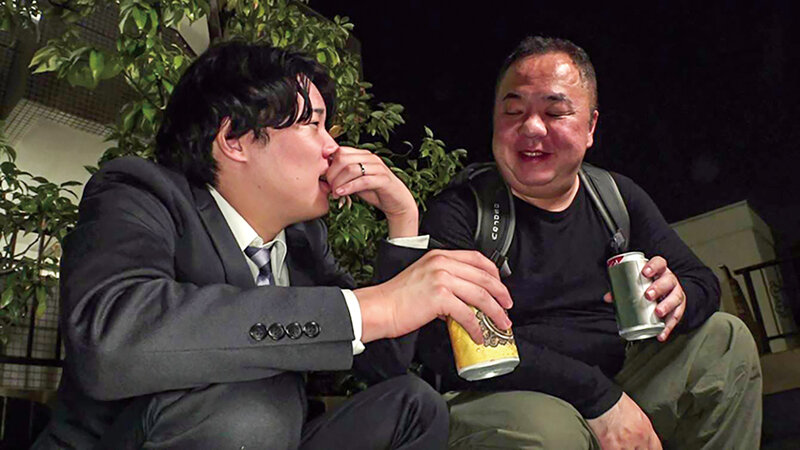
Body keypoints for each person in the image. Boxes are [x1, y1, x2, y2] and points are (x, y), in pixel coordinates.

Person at [33, 41, 515, 449]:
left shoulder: (302, 240)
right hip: (152, 436)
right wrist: (371, 307)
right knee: (255, 407)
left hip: (275, 434)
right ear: (234, 139)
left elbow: (381, 364)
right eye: (313, 125)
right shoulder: (143, 194)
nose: (333, 148)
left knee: (413, 405)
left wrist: (403, 220)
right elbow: (112, 340)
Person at [416, 36, 762, 449]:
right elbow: (439, 344)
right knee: (552, 434)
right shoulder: (461, 210)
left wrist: (678, 296)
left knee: (725, 339)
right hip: (509, 394)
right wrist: (598, 399)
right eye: (513, 111)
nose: (531, 127)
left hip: (621, 376)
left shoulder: (616, 197)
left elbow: (701, 280)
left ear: (591, 127)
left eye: (555, 111)